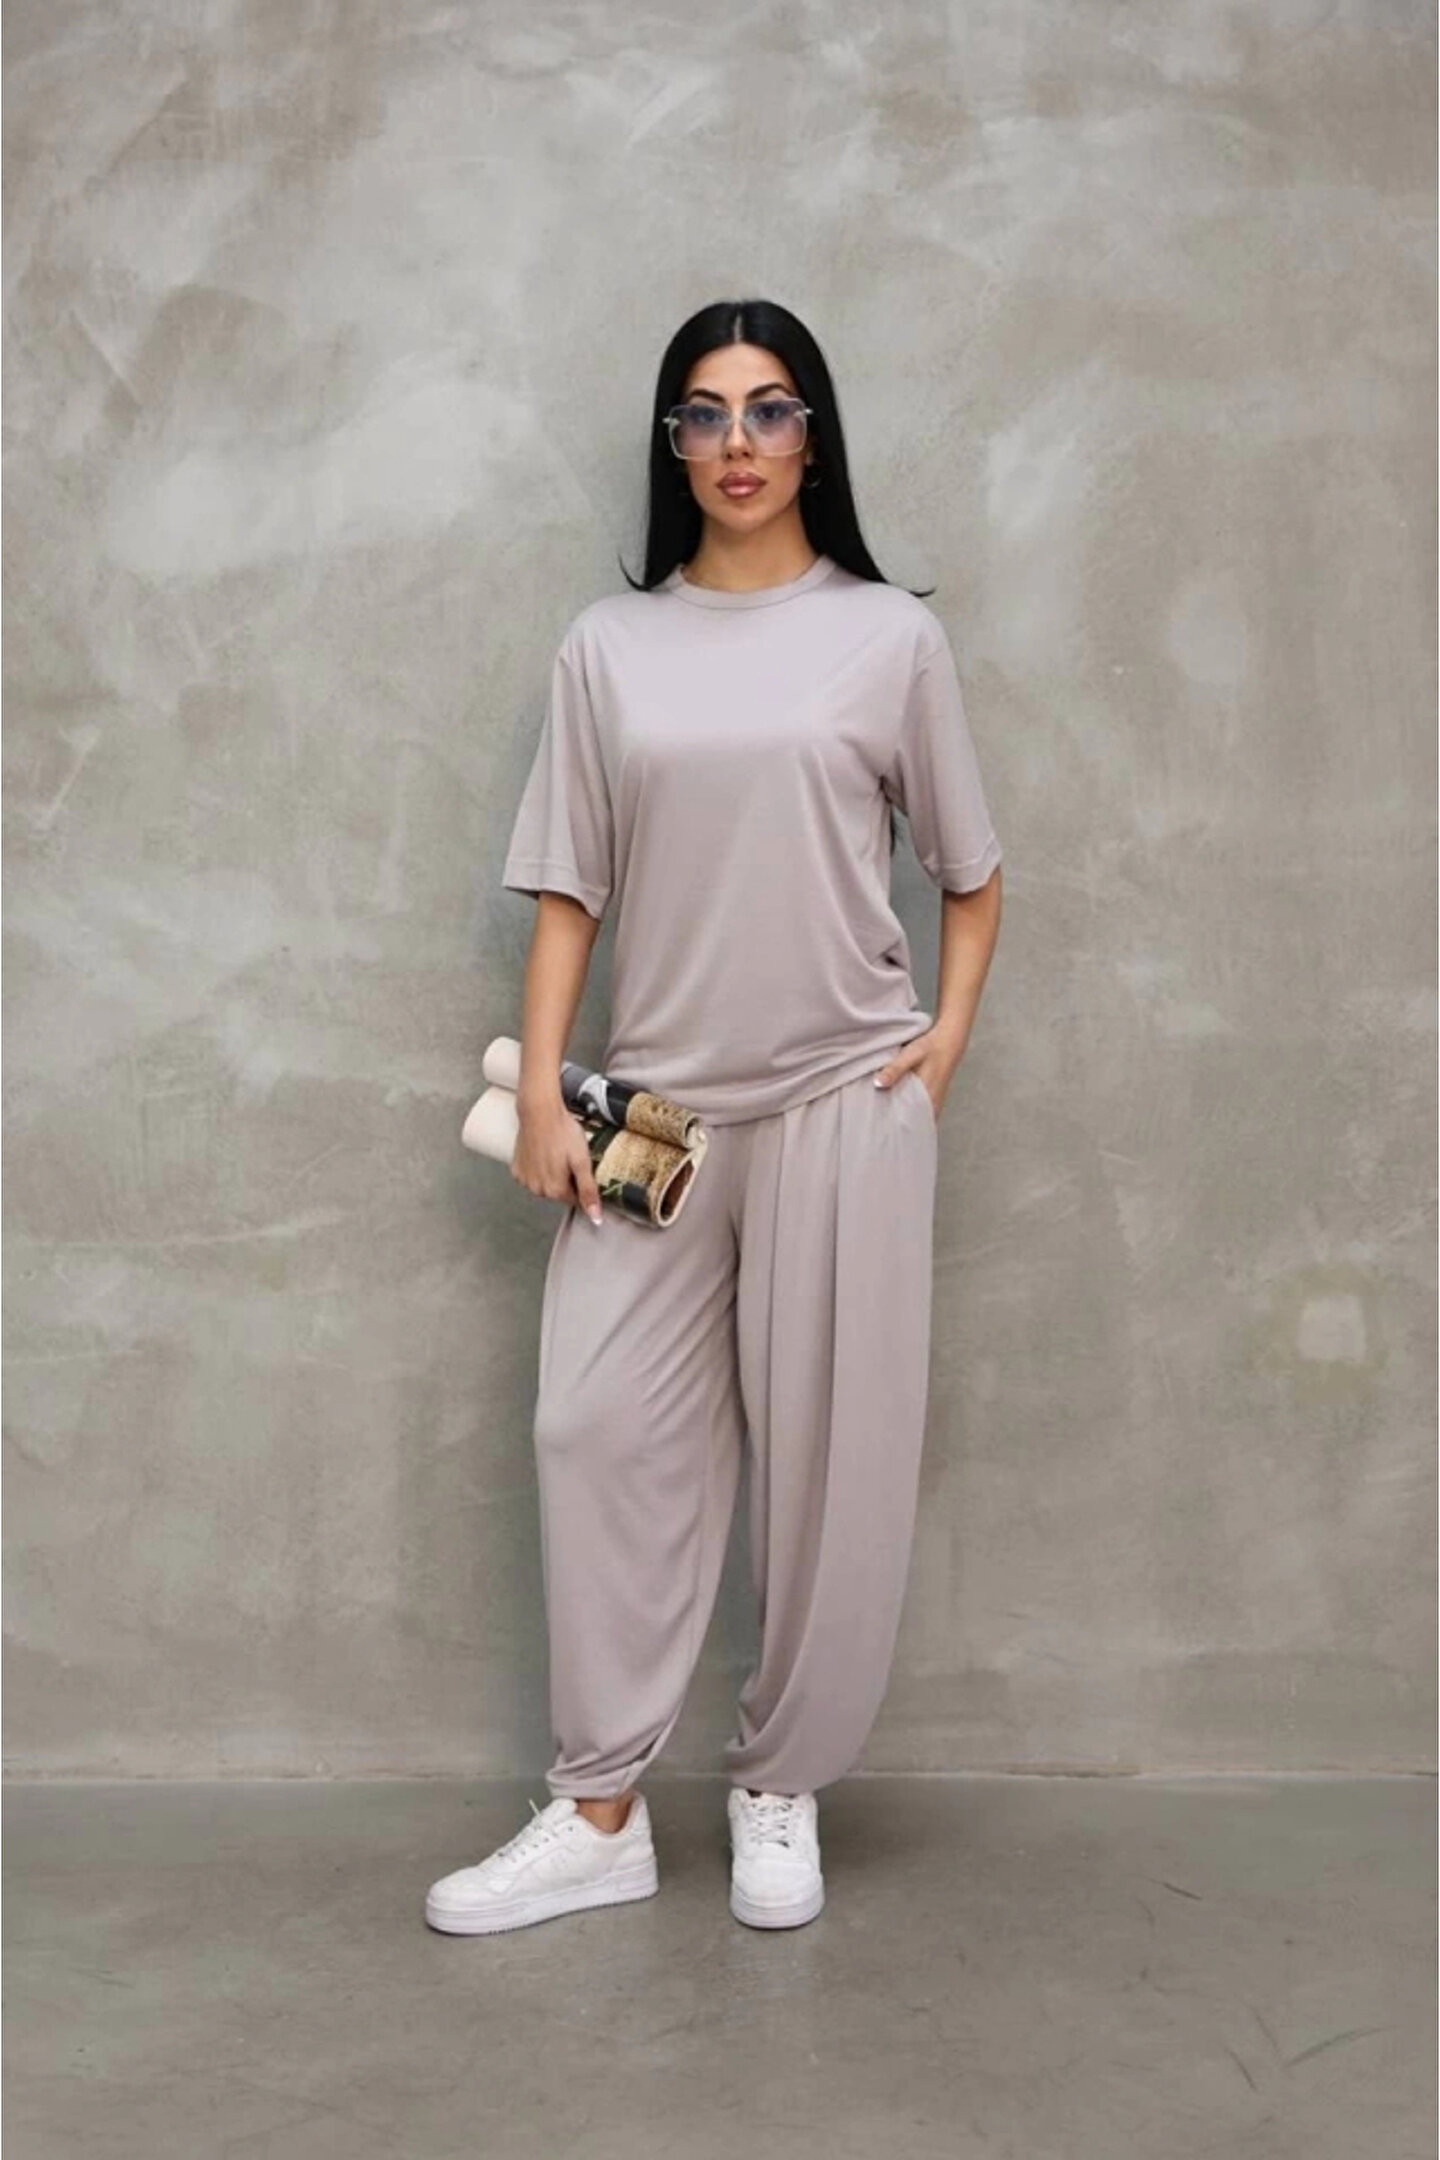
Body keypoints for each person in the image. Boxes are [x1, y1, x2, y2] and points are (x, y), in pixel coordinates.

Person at [425, 297, 1003, 1938]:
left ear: (814, 437)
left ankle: (778, 1784)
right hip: (657, 1118)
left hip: (841, 1102)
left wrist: (941, 1049)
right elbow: (570, 892)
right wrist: (549, 1092)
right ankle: (600, 1811)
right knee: (592, 1426)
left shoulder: (888, 638)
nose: (736, 442)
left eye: (768, 409)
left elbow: (971, 874)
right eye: (704, 413)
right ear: (672, 445)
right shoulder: (608, 649)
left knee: (832, 1468)